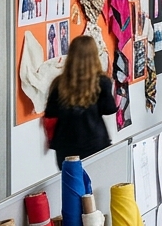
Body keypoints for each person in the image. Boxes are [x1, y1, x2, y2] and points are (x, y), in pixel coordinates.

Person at [45, 35, 116, 165]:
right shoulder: (101, 82)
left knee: (71, 184)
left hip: (66, 148)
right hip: (95, 144)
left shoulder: (58, 84)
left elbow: (50, 115)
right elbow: (109, 110)